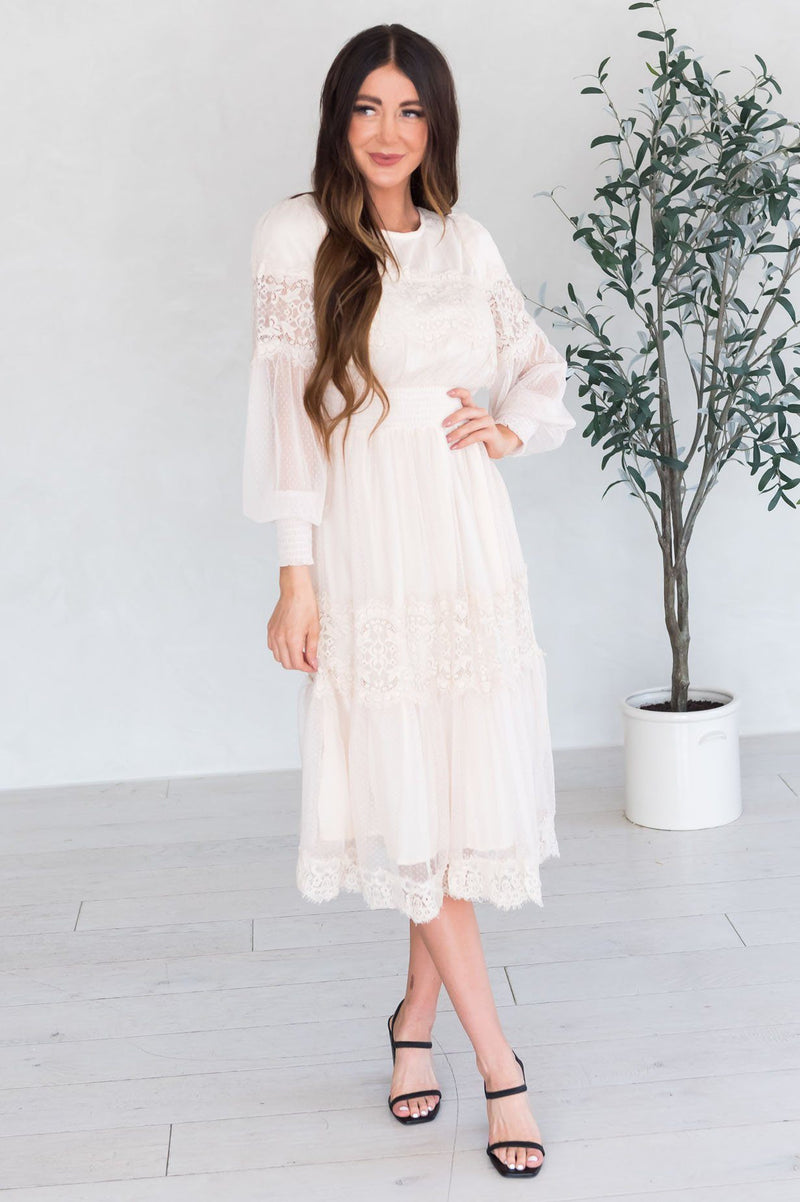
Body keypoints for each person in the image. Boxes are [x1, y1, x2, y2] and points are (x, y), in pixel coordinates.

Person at [242, 22, 575, 1179]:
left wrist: (509, 426)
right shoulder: (296, 235)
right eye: (367, 107)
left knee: (447, 783)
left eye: (410, 110)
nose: (387, 132)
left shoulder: (463, 242)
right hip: (365, 546)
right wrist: (295, 575)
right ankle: (500, 1063)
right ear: (338, 117)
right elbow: (286, 418)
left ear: (436, 126)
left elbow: (537, 366)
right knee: (403, 782)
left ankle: (412, 1022)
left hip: (465, 542)